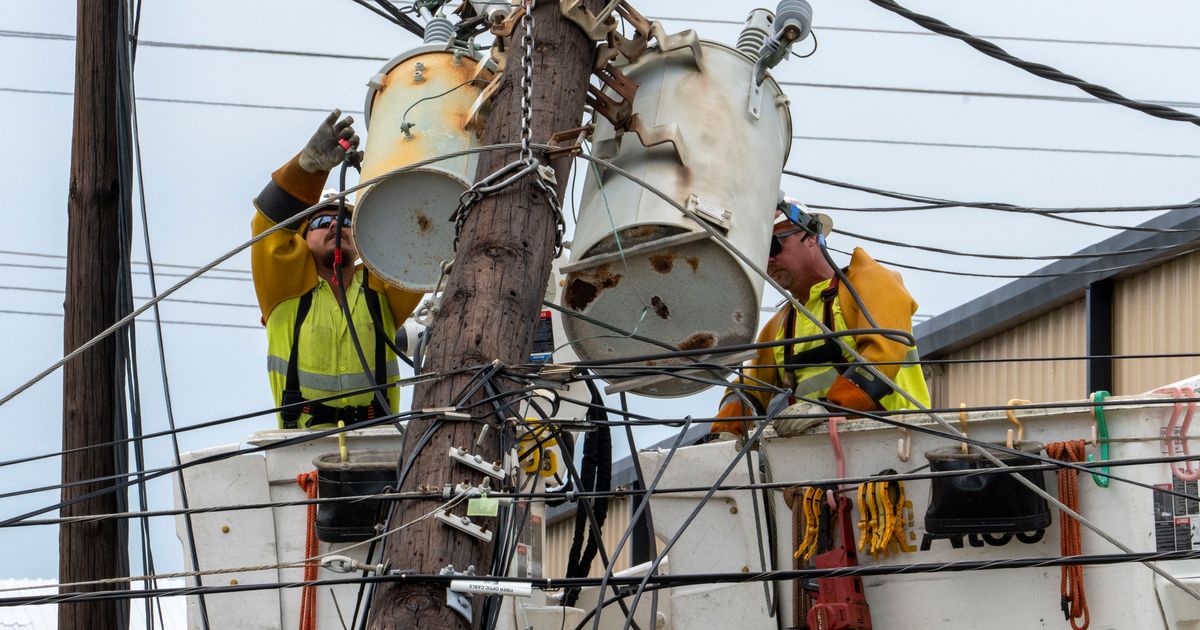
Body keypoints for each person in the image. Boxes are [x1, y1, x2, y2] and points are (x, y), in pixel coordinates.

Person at [251, 110, 423, 429]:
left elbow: (415, 242)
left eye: (346, 220)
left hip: (379, 448)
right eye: (321, 220)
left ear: (361, 241)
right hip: (303, 450)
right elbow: (268, 227)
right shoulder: (284, 291)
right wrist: (309, 168)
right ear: (301, 239)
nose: (335, 223)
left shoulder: (379, 290)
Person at [710, 198, 930, 436]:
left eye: (773, 245)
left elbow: (882, 356)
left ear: (811, 237)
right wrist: (725, 433)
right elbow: (750, 389)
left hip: (897, 442)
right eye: (762, 251)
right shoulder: (781, 325)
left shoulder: (869, 284)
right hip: (823, 456)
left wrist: (829, 409)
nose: (768, 259)